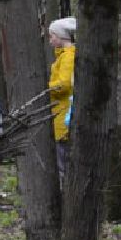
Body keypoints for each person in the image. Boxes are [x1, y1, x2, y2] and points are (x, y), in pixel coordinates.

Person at [48, 17, 77, 174]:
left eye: (52, 36)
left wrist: (47, 88)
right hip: (62, 114)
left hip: (65, 114)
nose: (50, 40)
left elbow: (64, 84)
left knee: (64, 163)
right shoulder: (63, 56)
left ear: (61, 37)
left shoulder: (68, 57)